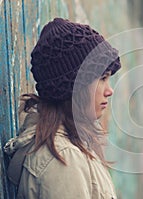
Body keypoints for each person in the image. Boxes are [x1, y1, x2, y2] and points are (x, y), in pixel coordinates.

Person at [3, 18, 121, 199]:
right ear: (74, 87)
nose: (109, 91)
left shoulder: (71, 146)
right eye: (102, 78)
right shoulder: (63, 160)